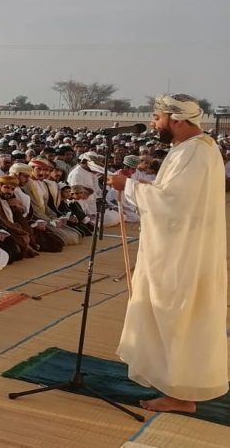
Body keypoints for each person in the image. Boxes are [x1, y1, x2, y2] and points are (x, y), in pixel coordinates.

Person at [111, 94, 228, 413]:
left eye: (157, 117)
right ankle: (175, 387)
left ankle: (180, 395)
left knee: (176, 316)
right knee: (177, 316)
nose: (153, 122)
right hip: (183, 247)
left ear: (176, 120)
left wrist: (128, 187)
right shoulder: (193, 148)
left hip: (182, 255)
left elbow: (171, 204)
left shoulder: (194, 152)